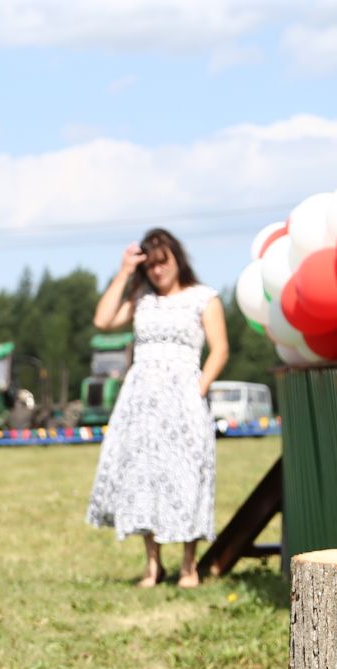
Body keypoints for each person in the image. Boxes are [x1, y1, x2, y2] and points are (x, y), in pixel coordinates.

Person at [86, 228, 228, 589]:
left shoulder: (203, 297)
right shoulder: (142, 300)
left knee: (186, 474)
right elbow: (103, 320)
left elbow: (220, 349)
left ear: (178, 259)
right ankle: (153, 566)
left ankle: (188, 565)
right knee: (143, 476)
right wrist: (124, 271)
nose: (158, 271)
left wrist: (199, 389)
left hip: (184, 397)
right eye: (151, 266)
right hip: (142, 400)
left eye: (163, 263)